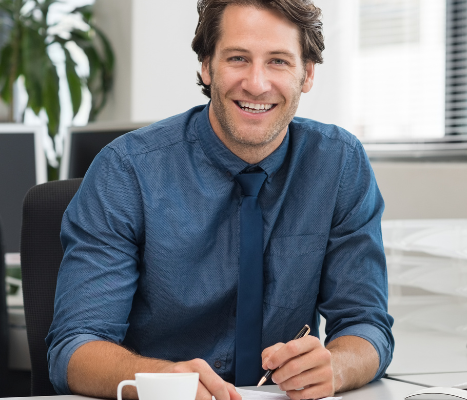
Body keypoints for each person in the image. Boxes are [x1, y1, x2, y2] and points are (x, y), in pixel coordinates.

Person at [45, 1, 394, 399]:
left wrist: (336, 366)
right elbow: (74, 349)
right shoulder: (126, 170)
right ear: (206, 66)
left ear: (307, 73)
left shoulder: (339, 163)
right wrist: (161, 382)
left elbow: (367, 325)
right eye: (238, 58)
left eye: (278, 61)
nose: (257, 83)